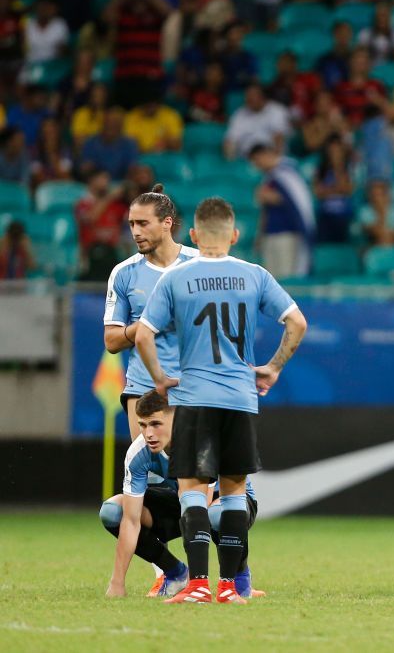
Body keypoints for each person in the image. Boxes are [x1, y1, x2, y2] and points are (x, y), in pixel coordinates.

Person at [135, 197, 308, 605]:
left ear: (193, 235)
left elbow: (143, 334)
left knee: (192, 490)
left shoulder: (176, 278)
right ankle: (230, 588)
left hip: (195, 397)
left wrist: (160, 380)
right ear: (234, 235)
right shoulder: (255, 275)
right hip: (240, 399)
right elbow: (296, 323)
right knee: (233, 492)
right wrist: (273, 367)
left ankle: (196, 585)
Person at [100, 391, 265, 600]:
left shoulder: (201, 442)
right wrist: (117, 583)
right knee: (113, 511)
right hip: (183, 501)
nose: (148, 433)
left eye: (155, 424)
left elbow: (200, 511)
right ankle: (176, 572)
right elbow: (131, 521)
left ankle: (239, 579)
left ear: (176, 417)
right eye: (142, 425)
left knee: (215, 515)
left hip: (225, 503)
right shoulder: (138, 453)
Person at [104, 184, 199, 442]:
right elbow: (112, 341)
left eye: (143, 224)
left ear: (167, 223)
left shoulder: (200, 265)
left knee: (195, 481)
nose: (135, 232)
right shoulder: (123, 273)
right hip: (143, 387)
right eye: (132, 224)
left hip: (192, 386)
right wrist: (149, 320)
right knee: (149, 479)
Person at [249, 144, 316, 279]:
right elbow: (265, 211)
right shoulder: (269, 177)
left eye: (257, 161)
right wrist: (260, 235)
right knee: (270, 282)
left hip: (287, 234)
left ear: (265, 154)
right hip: (270, 234)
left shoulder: (288, 172)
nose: (257, 166)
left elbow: (295, 201)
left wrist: (269, 196)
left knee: (286, 281)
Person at [223, 84, 291, 159]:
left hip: (270, 156)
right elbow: (230, 140)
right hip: (246, 158)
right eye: (247, 95)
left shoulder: (277, 110)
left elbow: (279, 138)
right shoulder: (239, 114)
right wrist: (230, 159)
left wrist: (274, 160)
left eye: (253, 95)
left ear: (263, 97)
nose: (248, 98)